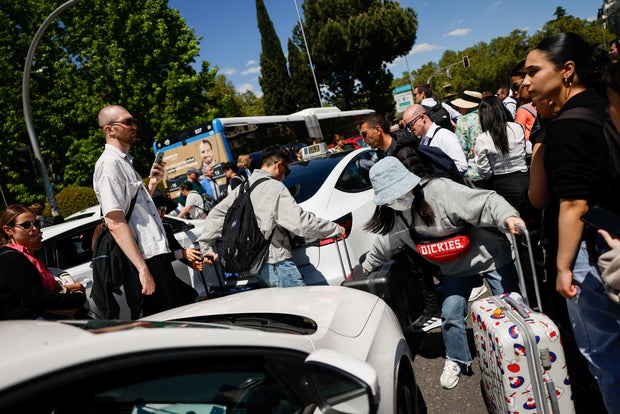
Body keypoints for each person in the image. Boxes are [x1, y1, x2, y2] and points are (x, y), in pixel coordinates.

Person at [361, 157, 524, 389]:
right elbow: (385, 244)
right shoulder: (397, 215)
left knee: (510, 307)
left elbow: (487, 201)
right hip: (454, 267)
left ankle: (518, 352)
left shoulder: (441, 190)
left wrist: (508, 216)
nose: (399, 200)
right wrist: (367, 266)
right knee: (450, 313)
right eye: (391, 198)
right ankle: (457, 358)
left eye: (401, 193)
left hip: (489, 255)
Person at [523, 32, 619, 412]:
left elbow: (571, 203)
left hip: (595, 253)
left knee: (605, 356)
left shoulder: (564, 127)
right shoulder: (603, 105)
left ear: (566, 71)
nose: (527, 81)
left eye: (534, 71)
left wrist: (563, 267)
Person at [93, 105, 196, 317]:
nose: (134, 126)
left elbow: (134, 211)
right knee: (167, 325)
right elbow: (115, 221)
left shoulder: (124, 162)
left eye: (134, 121)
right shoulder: (109, 164)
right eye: (128, 122)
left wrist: (153, 183)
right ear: (109, 130)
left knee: (179, 317)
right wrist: (142, 269)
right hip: (146, 260)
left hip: (156, 257)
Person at [198, 145, 345, 288]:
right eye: (287, 172)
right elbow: (301, 223)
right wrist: (334, 229)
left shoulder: (244, 187)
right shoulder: (275, 187)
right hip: (279, 264)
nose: (285, 177)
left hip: (258, 266)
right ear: (279, 165)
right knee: (300, 308)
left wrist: (206, 247)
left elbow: (215, 216)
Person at [359, 112, 444, 332]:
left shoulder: (402, 151)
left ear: (378, 129)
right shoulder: (384, 153)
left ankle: (441, 307)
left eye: (364, 133)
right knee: (420, 265)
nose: (362, 138)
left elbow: (420, 184)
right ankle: (436, 306)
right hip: (409, 220)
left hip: (421, 217)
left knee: (431, 262)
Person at [0, 204, 87, 319]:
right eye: (26, 225)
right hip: (32, 328)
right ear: (8, 230)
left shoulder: (26, 254)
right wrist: (78, 298)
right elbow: (39, 299)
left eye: (35, 223)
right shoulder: (11, 258)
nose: (34, 228)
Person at [475, 95, 529, 214]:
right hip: (525, 181)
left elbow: (485, 172)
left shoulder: (483, 139)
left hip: (501, 187)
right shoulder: (518, 127)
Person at [402, 104, 468, 176]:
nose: (409, 130)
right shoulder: (423, 140)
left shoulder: (444, 136)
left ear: (422, 117)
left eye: (410, 125)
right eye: (406, 128)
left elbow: (462, 166)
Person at [451, 90, 486, 188]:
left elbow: (462, 149)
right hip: (491, 167)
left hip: (473, 170)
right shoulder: (486, 116)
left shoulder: (463, 120)